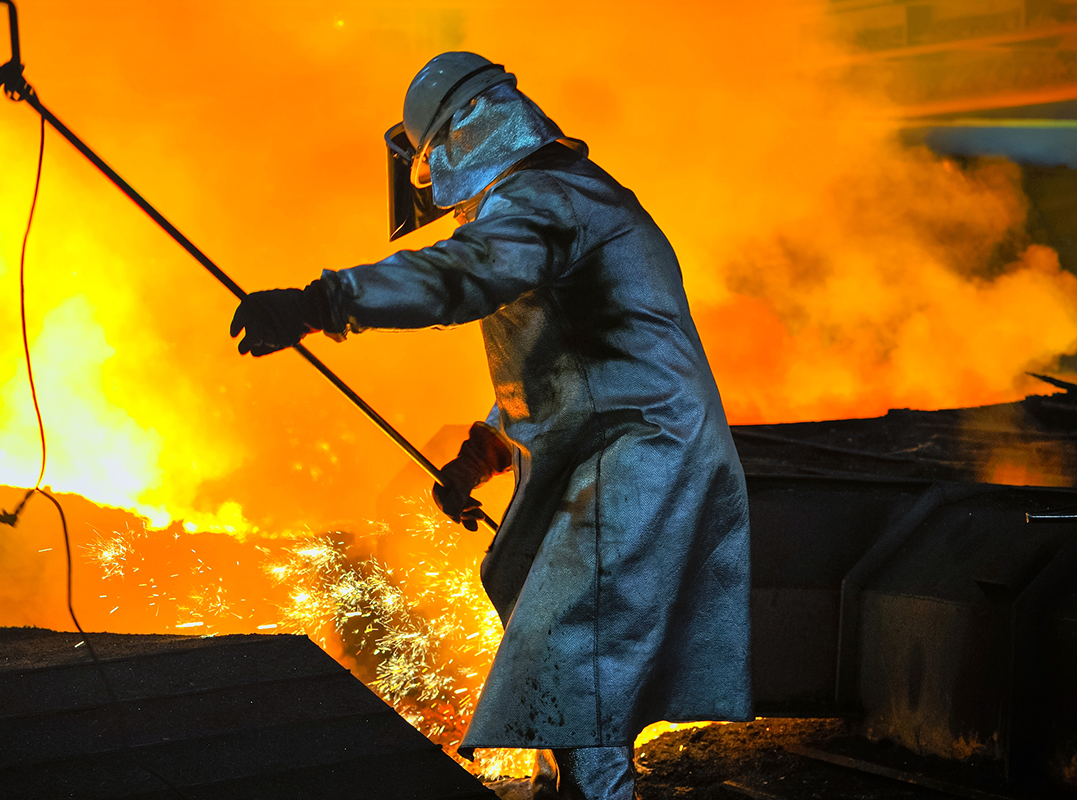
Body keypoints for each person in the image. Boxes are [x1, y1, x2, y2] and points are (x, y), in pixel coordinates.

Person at [229, 52, 752, 800]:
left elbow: (457, 278)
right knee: (533, 592)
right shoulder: (554, 199)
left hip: (638, 449)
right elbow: (558, 372)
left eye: (428, 157)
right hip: (612, 441)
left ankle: (595, 793)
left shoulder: (548, 203)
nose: (427, 181)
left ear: (461, 137)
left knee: (578, 641)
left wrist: (322, 303)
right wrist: (482, 454)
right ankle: (571, 777)